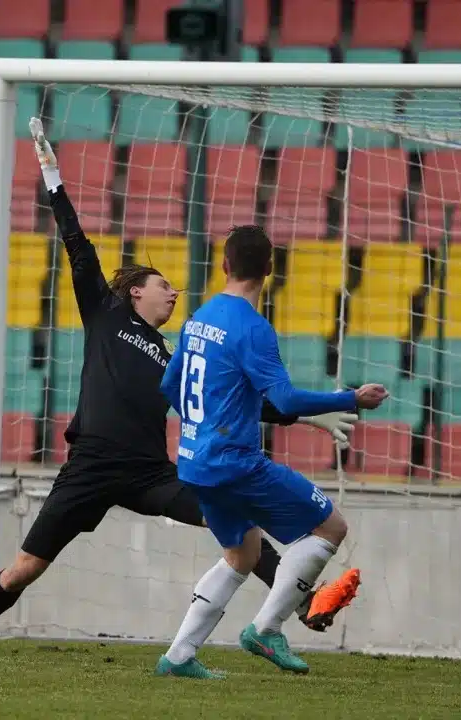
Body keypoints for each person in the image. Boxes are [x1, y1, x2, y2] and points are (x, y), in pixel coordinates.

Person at [0, 120, 361, 662]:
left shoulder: (174, 352)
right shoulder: (105, 315)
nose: (173, 294)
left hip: (150, 474)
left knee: (240, 527)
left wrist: (305, 416)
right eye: (163, 286)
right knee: (27, 566)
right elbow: (77, 247)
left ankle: (302, 607)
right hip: (91, 465)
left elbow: (229, 400)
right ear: (135, 292)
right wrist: (52, 176)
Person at [154, 224, 389, 679]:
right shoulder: (252, 329)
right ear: (269, 270)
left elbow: (169, 383)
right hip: (236, 463)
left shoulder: (199, 317)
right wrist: (350, 398)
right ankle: (266, 628)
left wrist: (201, 426)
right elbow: (284, 400)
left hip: (195, 461)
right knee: (331, 527)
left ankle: (178, 656)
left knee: (242, 554)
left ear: (224, 265)